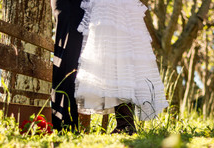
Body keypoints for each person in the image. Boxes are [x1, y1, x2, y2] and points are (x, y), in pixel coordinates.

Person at [74, 0, 168, 134]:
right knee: (120, 60)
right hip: (120, 7)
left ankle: (125, 124)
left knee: (117, 58)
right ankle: (125, 123)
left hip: (111, 7)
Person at [50, 0, 84, 131]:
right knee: (67, 55)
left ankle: (71, 121)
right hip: (68, 5)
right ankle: (63, 120)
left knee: (76, 59)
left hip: (80, 6)